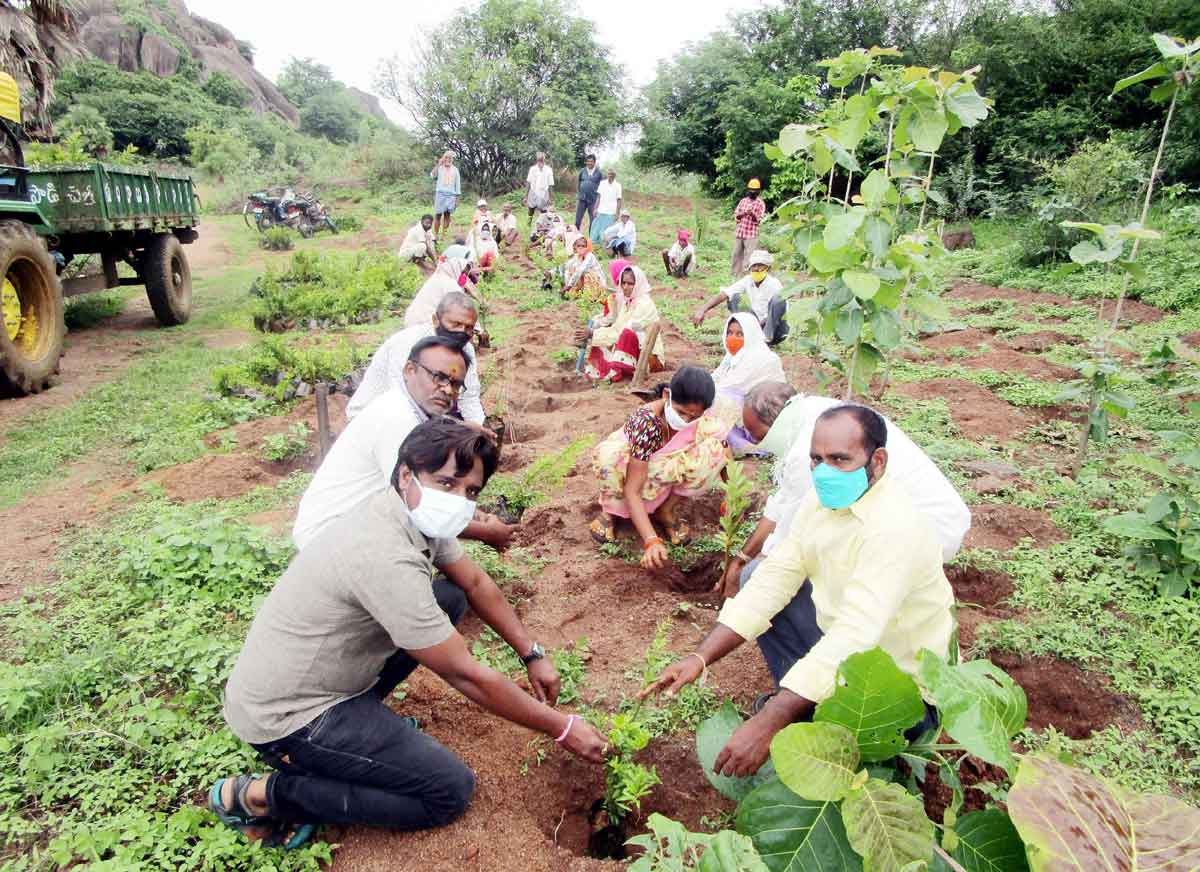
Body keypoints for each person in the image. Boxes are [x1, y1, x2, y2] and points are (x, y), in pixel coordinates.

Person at [212, 418, 608, 846]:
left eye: (470, 491)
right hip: (290, 717)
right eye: (446, 482)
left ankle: (356, 736)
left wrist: (532, 652)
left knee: (449, 599)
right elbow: (464, 674)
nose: (458, 499)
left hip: (324, 679)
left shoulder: (413, 515)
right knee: (447, 791)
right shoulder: (384, 555)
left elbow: (474, 583)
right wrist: (561, 727)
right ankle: (264, 795)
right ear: (406, 474)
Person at [642, 404, 955, 778]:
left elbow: (854, 636)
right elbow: (774, 580)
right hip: (850, 653)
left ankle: (832, 727)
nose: (825, 472)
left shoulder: (895, 529)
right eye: (816, 459)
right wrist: (700, 658)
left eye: (840, 459)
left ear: (879, 461)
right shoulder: (819, 501)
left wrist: (771, 718)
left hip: (900, 694)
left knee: (822, 738)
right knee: (758, 576)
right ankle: (807, 705)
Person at [716, 383, 971, 598]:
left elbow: (788, 530)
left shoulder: (811, 447)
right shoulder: (807, 412)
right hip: (911, 520)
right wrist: (741, 557)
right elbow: (783, 501)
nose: (753, 441)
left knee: (771, 574)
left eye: (755, 433)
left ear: (773, 423)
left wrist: (750, 571)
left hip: (927, 528)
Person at [294, 334, 511, 550]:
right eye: (439, 377)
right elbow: (419, 507)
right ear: (409, 370)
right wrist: (486, 532)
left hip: (359, 527)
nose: (447, 390)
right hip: (330, 538)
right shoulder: (396, 419)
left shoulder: (408, 406)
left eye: (455, 384)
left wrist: (461, 427)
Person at [591, 366, 729, 563]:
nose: (685, 421)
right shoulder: (646, 423)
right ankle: (610, 512)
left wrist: (732, 498)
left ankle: (665, 510)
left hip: (660, 475)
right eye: (681, 413)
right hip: (630, 474)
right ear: (667, 395)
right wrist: (651, 540)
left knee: (715, 451)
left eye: (693, 416)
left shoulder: (704, 422)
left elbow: (726, 455)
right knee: (609, 458)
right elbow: (632, 489)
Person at [349, 292, 486, 424]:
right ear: (435, 320)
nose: (461, 332)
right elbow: (403, 401)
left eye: (469, 327)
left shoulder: (465, 348)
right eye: (455, 324)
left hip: (423, 413)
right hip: (376, 417)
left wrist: (480, 431)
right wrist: (457, 427)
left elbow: (469, 397)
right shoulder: (407, 343)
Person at [710, 314, 786, 454]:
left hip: (763, 419)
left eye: (740, 334)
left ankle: (739, 442)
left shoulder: (764, 358)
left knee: (719, 400)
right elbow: (715, 379)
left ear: (751, 335)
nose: (733, 338)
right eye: (730, 333)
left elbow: (728, 388)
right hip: (745, 411)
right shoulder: (732, 358)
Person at [579, 260, 665, 383]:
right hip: (634, 350)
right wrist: (593, 333)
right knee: (603, 342)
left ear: (638, 284)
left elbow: (623, 331)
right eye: (623, 283)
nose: (625, 287)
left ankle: (617, 370)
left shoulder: (644, 303)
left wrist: (594, 334)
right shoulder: (627, 302)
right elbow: (616, 328)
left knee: (626, 334)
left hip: (649, 357)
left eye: (630, 284)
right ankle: (606, 369)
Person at [692, 249, 788, 345]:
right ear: (750, 267)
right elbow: (725, 294)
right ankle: (746, 334)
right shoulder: (748, 280)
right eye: (754, 265)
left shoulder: (774, 284)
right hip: (756, 325)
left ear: (768, 268)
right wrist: (702, 310)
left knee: (779, 299)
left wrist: (756, 327)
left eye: (761, 265)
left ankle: (765, 338)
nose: (757, 268)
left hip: (775, 329)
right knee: (734, 297)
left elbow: (777, 311)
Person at [404, 257, 480, 329]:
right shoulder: (450, 283)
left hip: (411, 320)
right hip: (424, 323)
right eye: (463, 273)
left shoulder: (436, 278)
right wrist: (478, 329)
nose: (464, 277)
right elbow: (464, 309)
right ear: (456, 270)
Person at [559, 235, 607, 307]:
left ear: (587, 247)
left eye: (583, 246)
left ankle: (591, 297)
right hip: (585, 284)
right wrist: (565, 282)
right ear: (575, 247)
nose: (581, 247)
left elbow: (580, 271)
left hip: (598, 284)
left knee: (587, 274)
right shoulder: (577, 256)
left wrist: (568, 286)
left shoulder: (590, 256)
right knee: (571, 270)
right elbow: (565, 266)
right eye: (579, 246)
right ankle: (576, 294)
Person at [730, 178, 765, 276]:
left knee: (749, 256)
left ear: (758, 191)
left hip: (751, 234)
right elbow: (736, 216)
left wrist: (752, 214)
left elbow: (758, 221)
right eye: (751, 190)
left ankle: (747, 275)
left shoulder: (760, 203)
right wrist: (744, 213)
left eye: (754, 191)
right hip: (740, 231)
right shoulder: (743, 201)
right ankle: (734, 274)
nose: (752, 192)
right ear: (748, 190)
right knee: (736, 254)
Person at [430, 151, 461, 241]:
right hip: (440, 194)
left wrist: (457, 199)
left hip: (451, 195)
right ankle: (435, 235)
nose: (448, 159)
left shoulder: (455, 170)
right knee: (438, 215)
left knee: (447, 216)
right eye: (446, 158)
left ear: (452, 159)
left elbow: (457, 185)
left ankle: (444, 235)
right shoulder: (440, 168)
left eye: (450, 158)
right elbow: (432, 176)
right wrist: (438, 164)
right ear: (443, 158)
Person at [591, 169, 623, 245]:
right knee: (595, 229)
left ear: (615, 176)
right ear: (607, 174)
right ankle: (594, 244)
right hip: (600, 210)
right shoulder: (602, 183)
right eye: (609, 174)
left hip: (611, 212)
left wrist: (617, 213)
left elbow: (619, 200)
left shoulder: (618, 185)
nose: (610, 175)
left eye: (612, 174)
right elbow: (598, 197)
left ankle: (606, 246)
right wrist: (595, 209)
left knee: (607, 231)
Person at [575, 154, 603, 233]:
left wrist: (599, 198)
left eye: (591, 161)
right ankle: (575, 236)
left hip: (593, 200)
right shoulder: (582, 171)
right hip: (582, 199)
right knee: (578, 219)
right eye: (588, 161)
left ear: (594, 162)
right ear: (586, 162)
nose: (589, 163)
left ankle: (591, 238)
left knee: (593, 219)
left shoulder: (599, 173)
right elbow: (579, 181)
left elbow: (603, 185)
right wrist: (579, 192)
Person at [525, 152, 554, 218]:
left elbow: (550, 184)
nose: (540, 161)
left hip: (544, 193)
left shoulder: (549, 169)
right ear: (537, 160)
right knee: (531, 210)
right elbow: (528, 182)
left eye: (541, 159)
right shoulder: (532, 169)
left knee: (543, 211)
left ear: (544, 159)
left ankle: (543, 225)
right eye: (539, 159)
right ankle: (528, 225)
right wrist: (526, 196)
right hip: (533, 192)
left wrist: (551, 197)